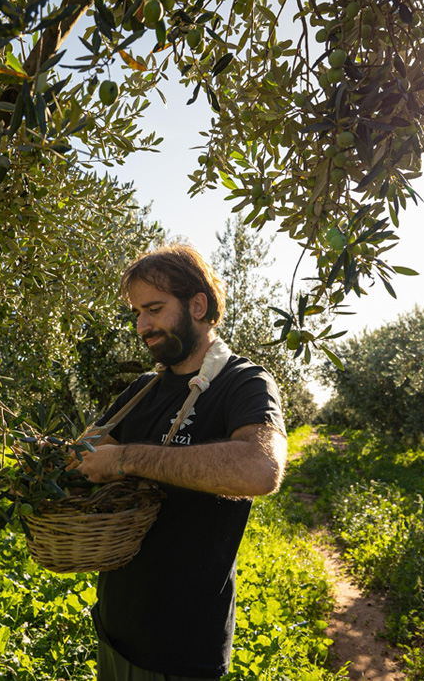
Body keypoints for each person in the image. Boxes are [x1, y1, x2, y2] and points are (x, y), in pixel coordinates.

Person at [70, 243, 288, 681]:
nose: (142, 326)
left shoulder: (243, 383)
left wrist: (127, 459)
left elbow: (261, 469)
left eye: (153, 309)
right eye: (136, 313)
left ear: (198, 304)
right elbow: (82, 456)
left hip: (182, 651)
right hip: (114, 627)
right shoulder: (140, 391)